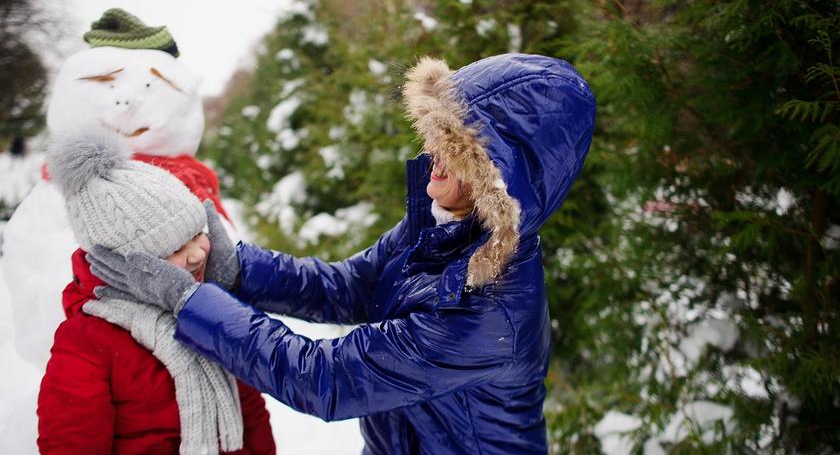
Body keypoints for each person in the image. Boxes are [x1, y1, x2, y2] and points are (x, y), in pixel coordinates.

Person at [89, 53, 596, 454]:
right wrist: (238, 267)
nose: (435, 154)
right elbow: (348, 286)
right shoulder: (442, 229)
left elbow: (325, 377)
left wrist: (188, 303)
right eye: (437, 133)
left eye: (460, 149)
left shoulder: (490, 311)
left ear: (499, 180)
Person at [37, 130, 276, 454]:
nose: (197, 254)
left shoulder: (210, 303)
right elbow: (72, 442)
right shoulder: (88, 341)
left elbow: (249, 409)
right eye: (175, 249)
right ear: (123, 263)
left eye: (196, 234)